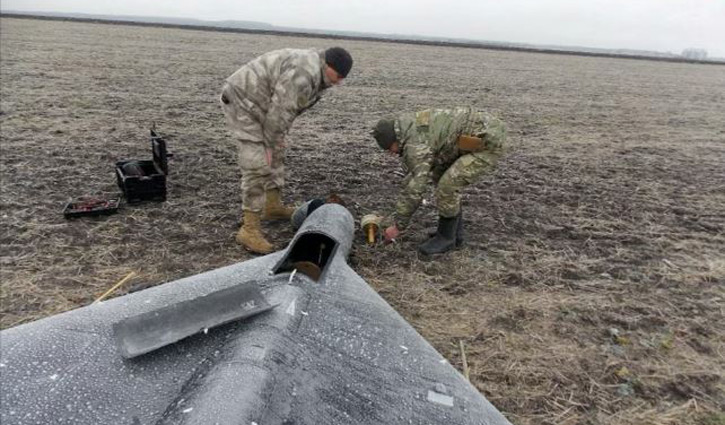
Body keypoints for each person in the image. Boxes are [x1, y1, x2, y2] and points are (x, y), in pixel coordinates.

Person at [220, 47, 353, 254]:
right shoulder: (304, 74)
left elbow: (285, 112)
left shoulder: (316, 74)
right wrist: (270, 143)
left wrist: (276, 140)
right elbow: (281, 111)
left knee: (276, 152)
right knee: (257, 162)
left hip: (263, 104)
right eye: (338, 76)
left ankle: (272, 206)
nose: (339, 82)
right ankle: (249, 229)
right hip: (244, 102)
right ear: (328, 65)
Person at [371, 107, 506, 255]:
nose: (392, 153)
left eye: (390, 148)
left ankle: (446, 238)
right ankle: (456, 234)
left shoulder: (414, 145)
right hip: (469, 138)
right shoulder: (408, 128)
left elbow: (415, 188)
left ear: (394, 139)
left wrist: (398, 226)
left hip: (487, 141)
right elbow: (411, 178)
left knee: (447, 186)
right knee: (440, 177)